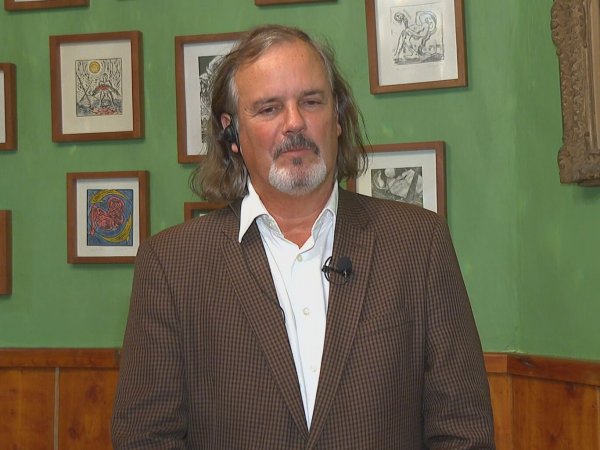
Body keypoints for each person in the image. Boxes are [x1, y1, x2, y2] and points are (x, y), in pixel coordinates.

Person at [112, 24, 495, 449]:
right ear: (231, 133)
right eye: (269, 108)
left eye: (311, 102)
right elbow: (146, 437)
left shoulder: (418, 243)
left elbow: (463, 429)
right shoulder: (172, 264)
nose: (294, 123)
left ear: (338, 118)